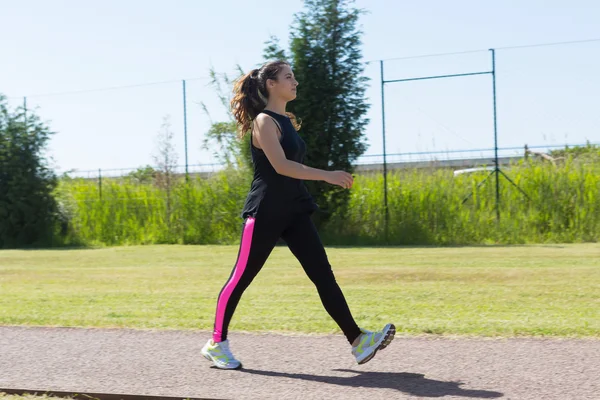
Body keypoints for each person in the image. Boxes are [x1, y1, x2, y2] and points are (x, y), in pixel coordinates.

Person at [201, 60, 395, 370]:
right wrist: (327, 175)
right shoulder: (265, 122)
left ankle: (359, 341)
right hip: (265, 210)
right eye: (288, 77)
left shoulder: (285, 120)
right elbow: (282, 167)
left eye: (294, 76)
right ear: (270, 85)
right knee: (241, 277)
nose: (295, 82)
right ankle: (216, 343)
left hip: (294, 208)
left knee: (322, 274)